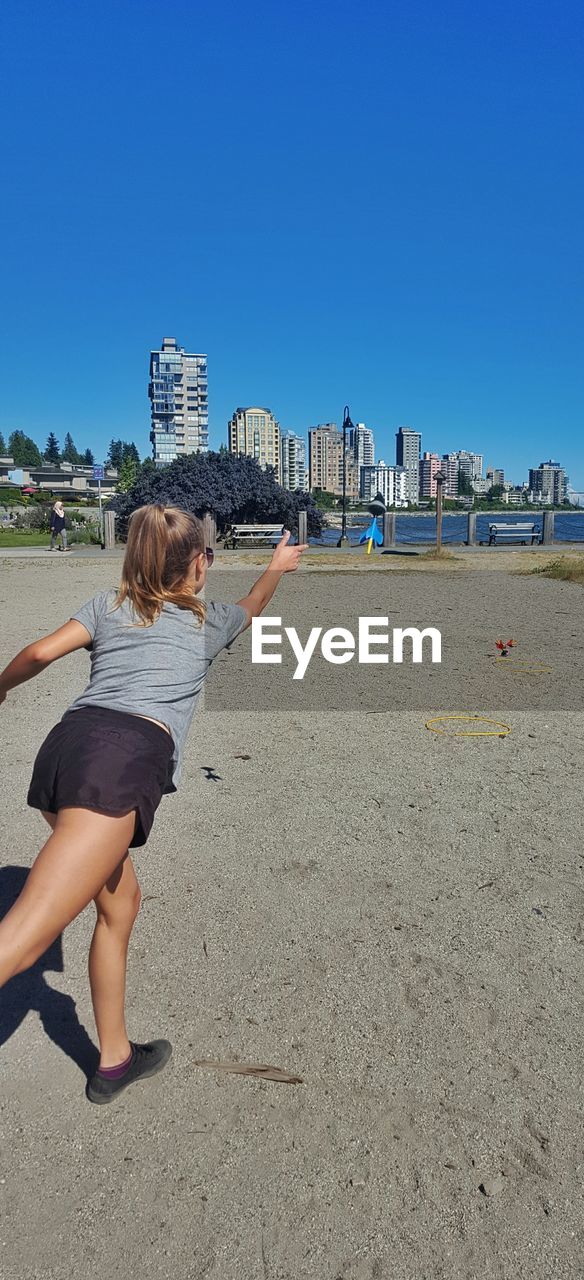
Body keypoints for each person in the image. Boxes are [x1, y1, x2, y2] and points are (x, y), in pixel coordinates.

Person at [0, 505, 307, 1104]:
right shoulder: (208, 620)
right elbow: (254, 606)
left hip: (66, 753)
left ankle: (114, 1059)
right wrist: (275, 566)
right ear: (199, 565)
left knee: (121, 904)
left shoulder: (109, 606)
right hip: (117, 768)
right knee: (24, 939)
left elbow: (38, 654)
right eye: (207, 557)